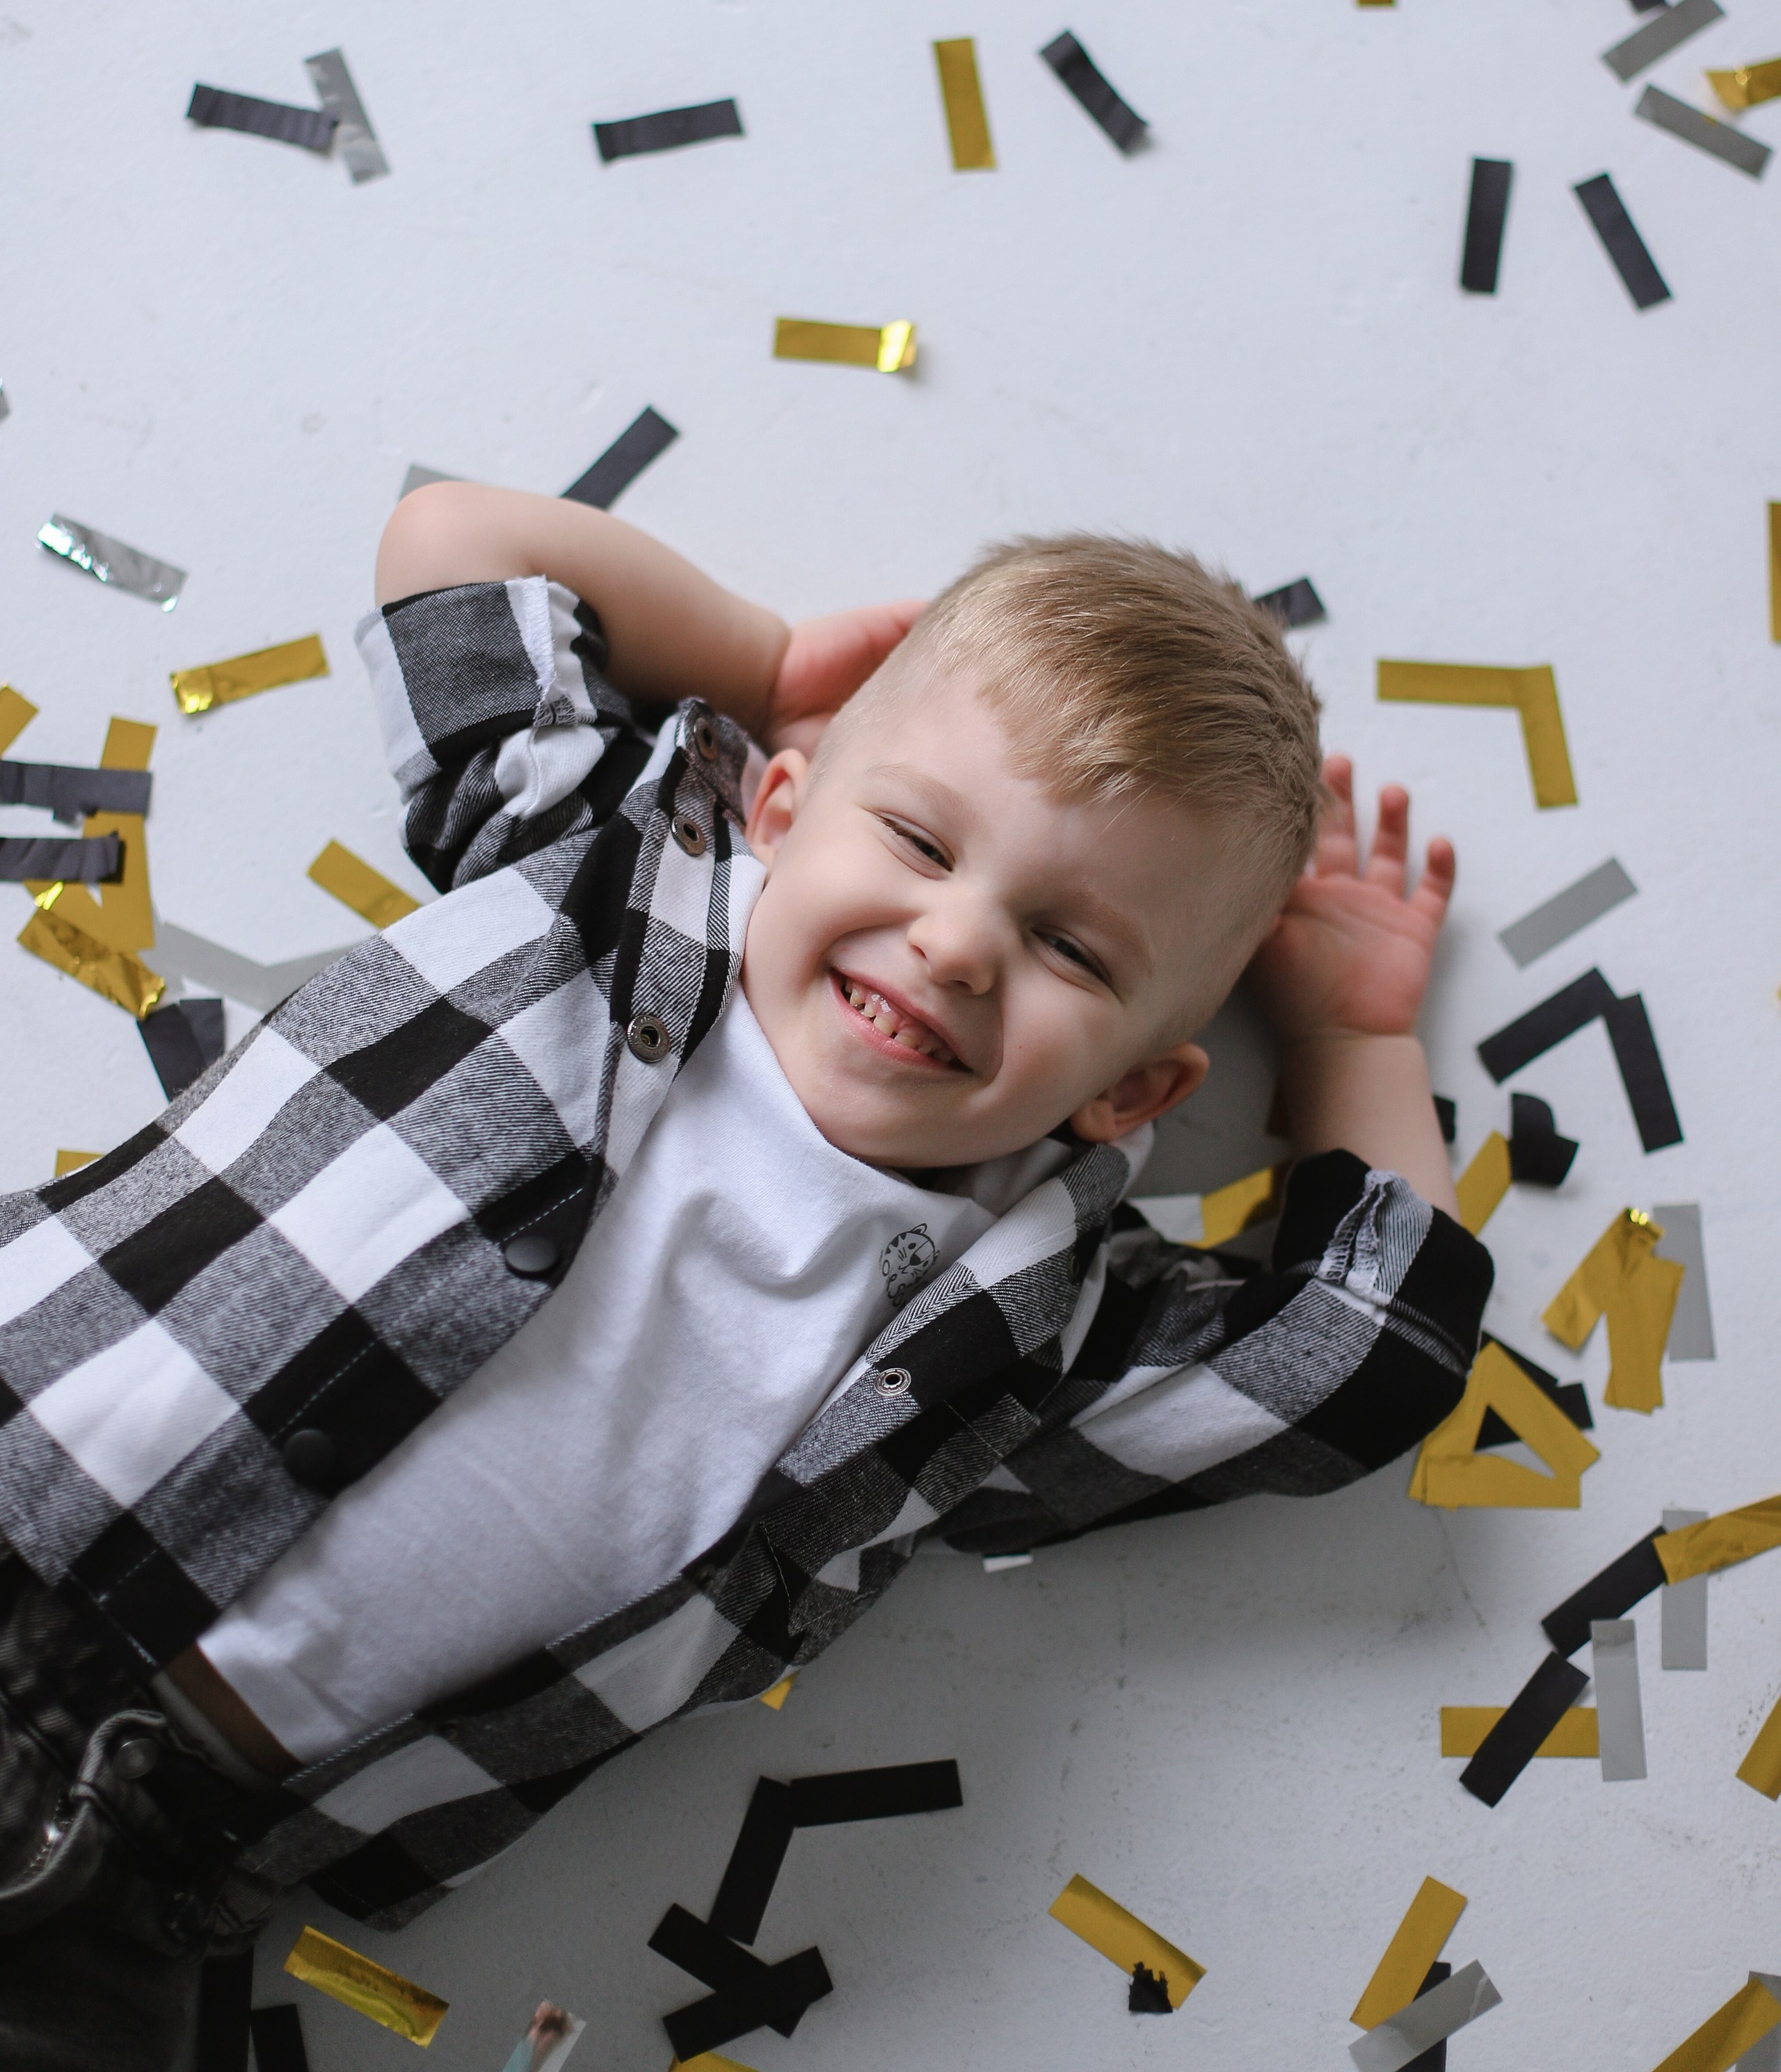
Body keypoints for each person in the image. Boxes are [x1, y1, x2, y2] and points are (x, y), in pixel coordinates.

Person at [0, 490, 1491, 2067]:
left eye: (1074, 951)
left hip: (178, 1857)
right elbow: (452, 552)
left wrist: (1351, 1036)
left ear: (1131, 1091)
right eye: (917, 839)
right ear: (779, 799)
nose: (956, 941)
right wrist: (766, 647)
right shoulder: (600, 872)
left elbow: (1361, 1353)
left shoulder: (1033, 1323)